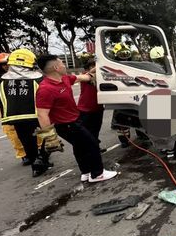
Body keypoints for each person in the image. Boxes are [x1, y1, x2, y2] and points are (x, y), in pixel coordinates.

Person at [36, 54, 117, 183]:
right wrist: (50, 137)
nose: (64, 65)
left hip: (75, 120)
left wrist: (101, 65)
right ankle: (97, 174)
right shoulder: (46, 89)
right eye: (62, 63)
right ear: (56, 67)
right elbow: (42, 114)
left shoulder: (65, 79)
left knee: (80, 147)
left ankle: (86, 172)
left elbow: (85, 76)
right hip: (66, 125)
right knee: (92, 144)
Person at [0, 49, 52, 177]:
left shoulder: (3, 80)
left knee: (27, 143)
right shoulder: (38, 78)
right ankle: (42, 160)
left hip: (14, 117)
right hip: (35, 115)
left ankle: (36, 166)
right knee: (46, 137)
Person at [0, 52, 30, 165]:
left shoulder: (23, 76)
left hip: (25, 108)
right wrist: (3, 80)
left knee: (33, 130)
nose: (7, 66)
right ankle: (23, 154)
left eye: (8, 63)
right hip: (6, 110)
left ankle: (39, 149)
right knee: (13, 134)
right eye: (3, 64)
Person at [77, 55, 105, 149]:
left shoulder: (101, 77)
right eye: (92, 66)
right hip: (85, 110)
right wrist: (100, 66)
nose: (94, 68)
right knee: (86, 132)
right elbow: (88, 75)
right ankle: (88, 149)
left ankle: (95, 147)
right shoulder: (86, 75)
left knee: (95, 130)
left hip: (98, 109)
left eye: (95, 65)